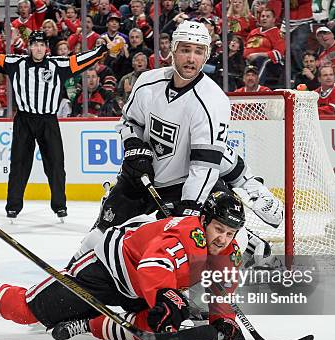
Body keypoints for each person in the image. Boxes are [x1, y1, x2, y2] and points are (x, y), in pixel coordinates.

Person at [74, 21, 282, 262]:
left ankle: (250, 247)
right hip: (141, 176)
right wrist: (133, 146)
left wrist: (189, 210)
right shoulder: (147, 82)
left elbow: (204, 166)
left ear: (206, 56)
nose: (191, 58)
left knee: (210, 234)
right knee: (97, 239)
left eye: (198, 51)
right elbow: (129, 122)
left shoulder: (213, 101)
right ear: (172, 50)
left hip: (183, 184)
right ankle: (74, 273)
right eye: (184, 49)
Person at [0, 191, 247, 340]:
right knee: (29, 312)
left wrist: (224, 321)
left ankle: (89, 324)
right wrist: (167, 296)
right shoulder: (186, 235)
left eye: (229, 233)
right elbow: (156, 264)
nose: (222, 238)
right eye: (218, 228)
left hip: (142, 286)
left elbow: (221, 287)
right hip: (108, 268)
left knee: (153, 331)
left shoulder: (228, 250)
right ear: (204, 221)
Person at [0, 31, 117, 220]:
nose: (39, 48)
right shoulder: (16, 63)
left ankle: (59, 205)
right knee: (19, 164)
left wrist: (102, 49)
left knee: (56, 164)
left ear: (46, 48)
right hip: (24, 120)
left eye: (42, 45)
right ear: (30, 47)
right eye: (35, 44)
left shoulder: (59, 64)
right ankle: (13, 206)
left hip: (48, 120)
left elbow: (82, 59)